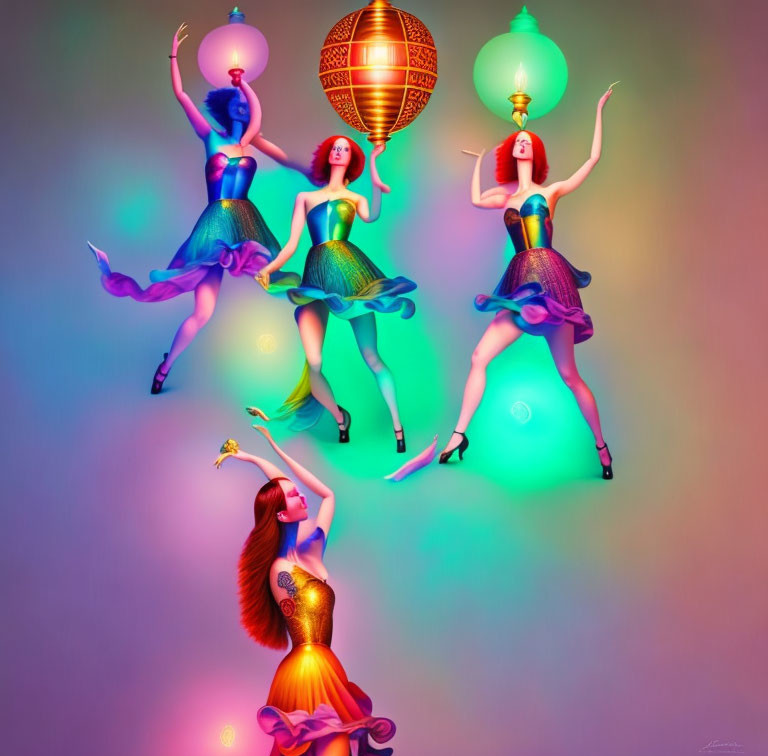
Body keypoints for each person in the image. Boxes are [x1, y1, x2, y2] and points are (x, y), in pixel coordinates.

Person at [88, 23, 306, 394]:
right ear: (225, 109)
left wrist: (244, 83)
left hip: (246, 226)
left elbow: (256, 117)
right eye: (235, 101)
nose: (241, 105)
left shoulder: (251, 140)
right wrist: (174, 54)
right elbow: (181, 95)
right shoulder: (211, 137)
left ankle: (309, 369)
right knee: (202, 313)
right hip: (213, 229)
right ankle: (166, 366)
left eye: (242, 102)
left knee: (280, 285)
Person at [440, 87, 616, 479]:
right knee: (478, 357)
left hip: (551, 281)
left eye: (527, 142)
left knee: (569, 375)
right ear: (511, 152)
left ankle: (601, 447)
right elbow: (474, 199)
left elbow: (592, 159)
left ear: (535, 153)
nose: (522, 144)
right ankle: (458, 435)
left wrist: (599, 108)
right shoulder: (504, 195)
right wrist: (479, 162)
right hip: (520, 284)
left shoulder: (550, 192)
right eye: (517, 141)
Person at [215, 427, 396, 756]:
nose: (302, 497)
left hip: (325, 664)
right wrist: (266, 464)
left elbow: (328, 495)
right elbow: (288, 495)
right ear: (283, 515)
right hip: (307, 669)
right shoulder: (280, 570)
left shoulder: (310, 553)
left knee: (328, 752)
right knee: (331, 747)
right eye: (294, 498)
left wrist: (264, 452)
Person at [254, 136, 416, 453]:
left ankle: (398, 426)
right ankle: (340, 417)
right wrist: (269, 269)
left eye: (345, 148)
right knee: (313, 362)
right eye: (335, 147)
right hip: (316, 277)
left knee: (372, 357)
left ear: (350, 158)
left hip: (352, 275)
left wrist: (375, 171)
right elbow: (290, 245)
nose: (339, 151)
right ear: (328, 155)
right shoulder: (305, 197)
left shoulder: (354, 198)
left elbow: (372, 215)